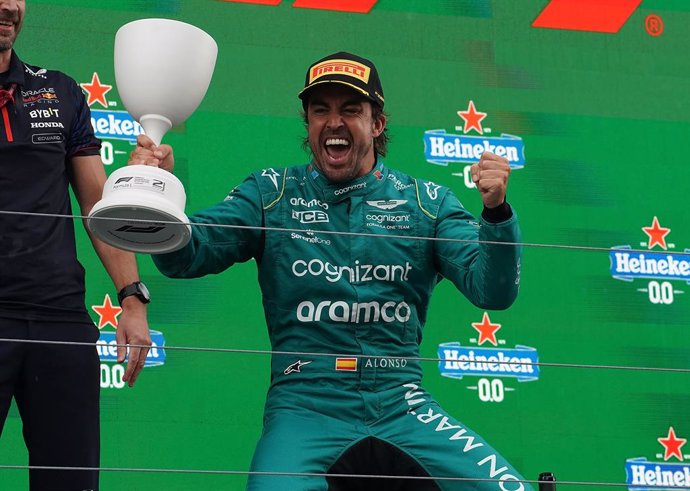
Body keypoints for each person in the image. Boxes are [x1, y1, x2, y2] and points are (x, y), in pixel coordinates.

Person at [131, 51, 531, 491]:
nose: (333, 122)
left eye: (350, 110)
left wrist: (496, 214)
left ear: (377, 124)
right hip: (304, 406)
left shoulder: (426, 202)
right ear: (307, 123)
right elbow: (186, 256)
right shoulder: (271, 192)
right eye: (320, 110)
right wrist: (157, 197)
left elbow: (492, 292)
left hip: (401, 403)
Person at [0, 1, 152, 490]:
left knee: (71, 482)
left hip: (58, 320)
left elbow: (96, 206)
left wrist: (132, 296)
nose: (9, 5)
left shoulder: (59, 91)